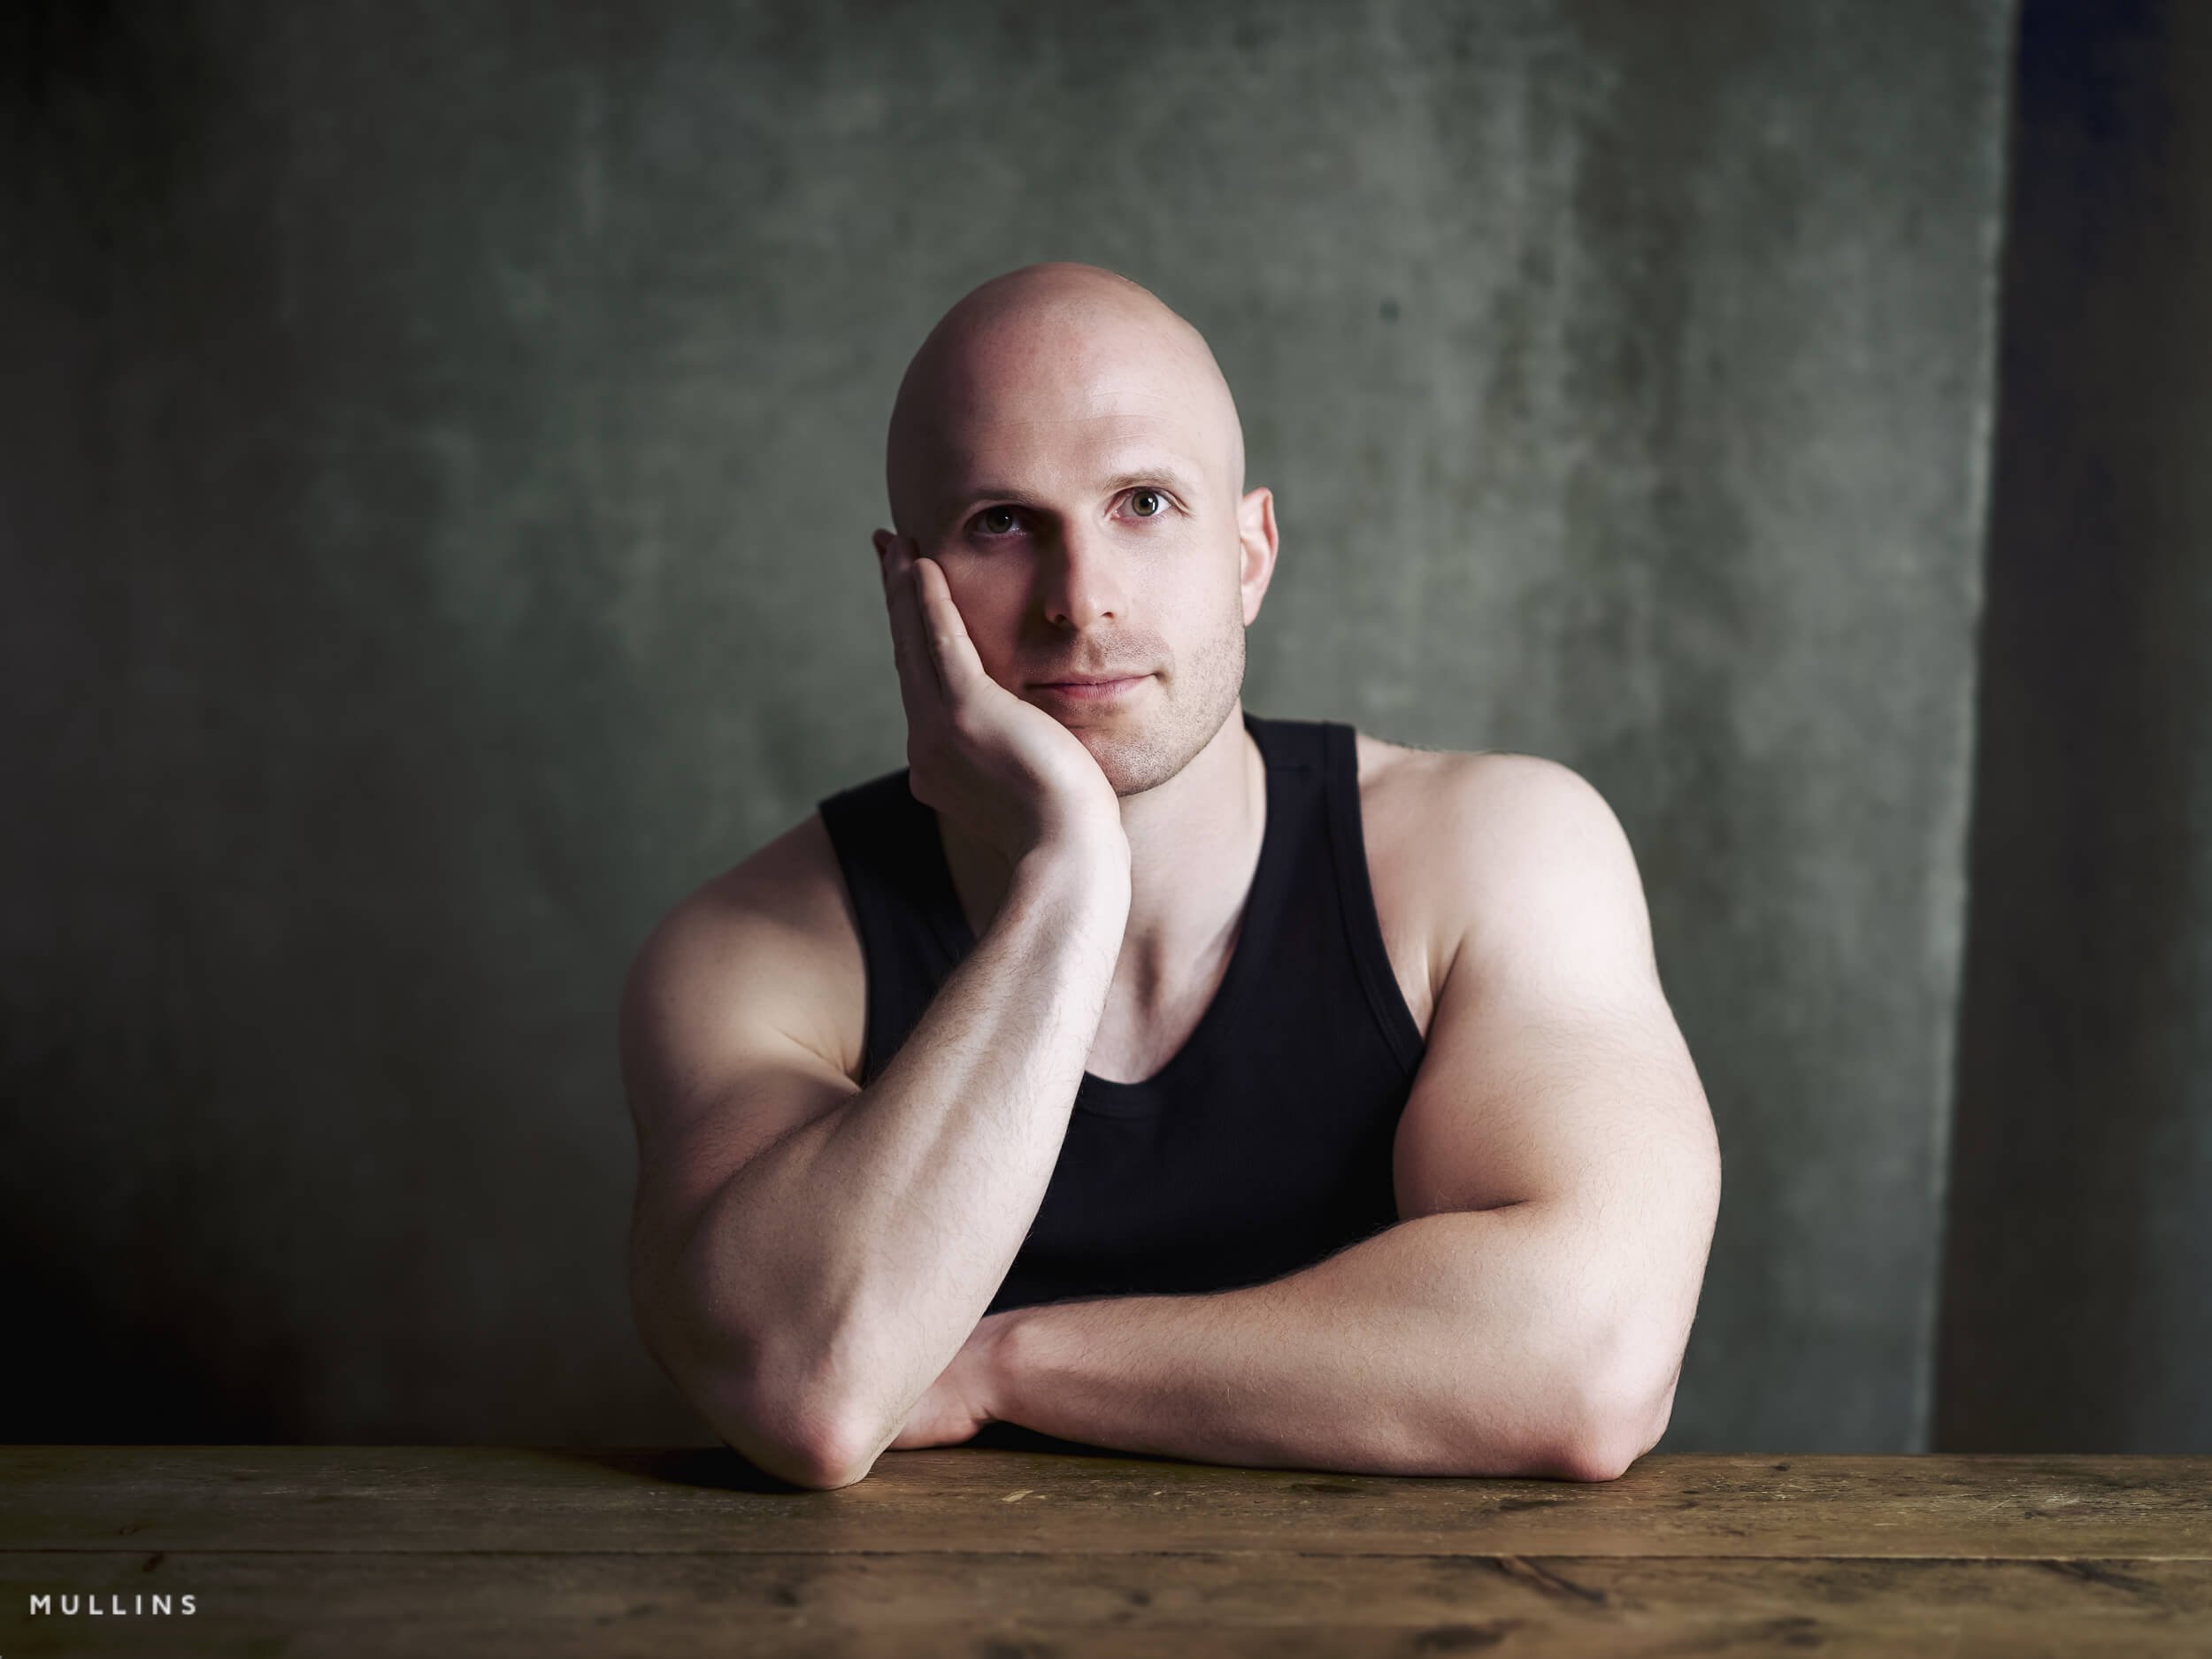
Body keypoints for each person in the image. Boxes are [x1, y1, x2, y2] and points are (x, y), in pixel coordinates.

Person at [619, 261, 1721, 1491]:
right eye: (1000, 523)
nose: (1080, 604)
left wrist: (1005, 1364)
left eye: (1143, 504)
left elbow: (1589, 1366)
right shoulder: (751, 953)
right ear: (902, 585)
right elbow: (804, 1390)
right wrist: (1070, 874)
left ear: (1248, 553)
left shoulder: (1501, 853)